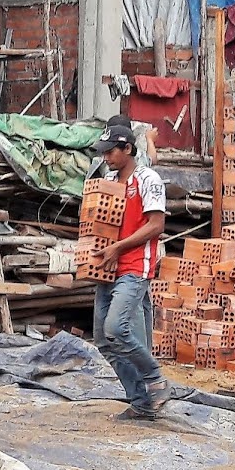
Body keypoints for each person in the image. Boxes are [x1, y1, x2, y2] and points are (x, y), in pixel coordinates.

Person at [89, 121, 176, 419]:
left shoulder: (147, 179)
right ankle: (141, 402)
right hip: (109, 268)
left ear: (127, 148)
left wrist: (118, 248)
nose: (105, 157)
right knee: (102, 339)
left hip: (135, 266)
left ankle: (155, 380)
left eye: (110, 152)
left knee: (117, 328)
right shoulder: (110, 180)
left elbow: (156, 225)